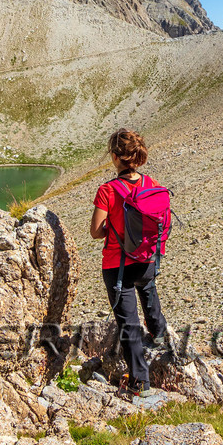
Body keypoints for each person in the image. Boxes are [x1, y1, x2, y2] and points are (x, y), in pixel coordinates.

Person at [90, 128, 167, 397]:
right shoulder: (153, 185)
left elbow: (96, 231)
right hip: (147, 258)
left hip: (117, 263)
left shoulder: (107, 190)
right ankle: (159, 334)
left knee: (128, 323)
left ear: (115, 156)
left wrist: (114, 226)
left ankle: (141, 383)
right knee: (148, 289)